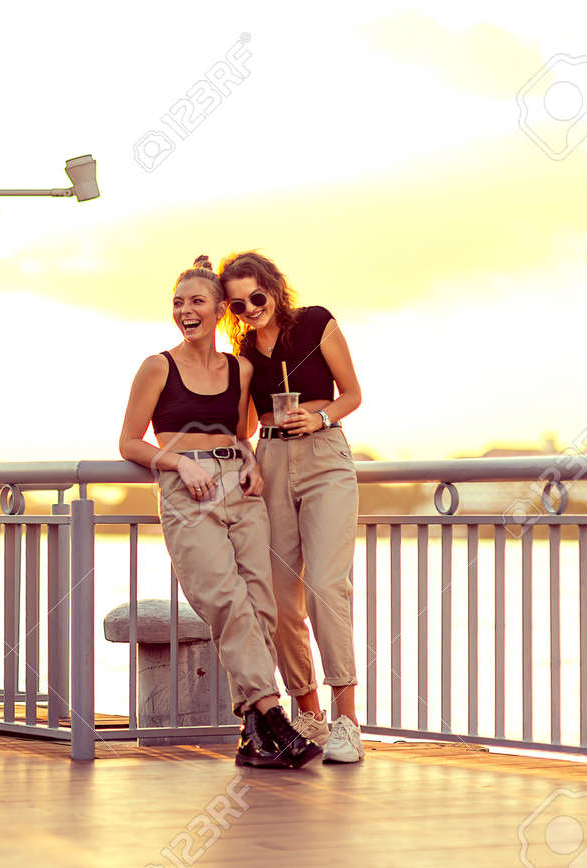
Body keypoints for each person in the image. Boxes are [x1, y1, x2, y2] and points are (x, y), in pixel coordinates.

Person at [119, 255, 322, 769]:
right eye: (178, 303)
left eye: (196, 302)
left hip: (242, 489)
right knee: (227, 602)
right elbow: (129, 442)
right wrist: (177, 463)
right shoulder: (157, 367)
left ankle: (253, 737)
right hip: (188, 493)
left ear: (218, 311)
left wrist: (250, 459)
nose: (185, 311)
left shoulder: (240, 368)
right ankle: (274, 716)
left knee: (262, 607)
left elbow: (240, 432)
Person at [220, 250, 365, 763]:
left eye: (256, 296)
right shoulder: (243, 352)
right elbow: (242, 426)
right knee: (280, 599)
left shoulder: (316, 323)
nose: (250, 309)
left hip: (325, 456)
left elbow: (352, 394)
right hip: (272, 460)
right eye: (237, 304)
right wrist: (246, 454)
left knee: (325, 587)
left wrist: (320, 418)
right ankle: (309, 714)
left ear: (274, 288)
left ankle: (347, 721)